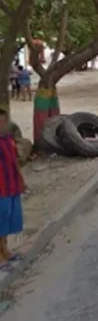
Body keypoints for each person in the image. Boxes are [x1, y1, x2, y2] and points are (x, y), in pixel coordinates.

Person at [0, 109, 26, 272]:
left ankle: (6, 251)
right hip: (1, 187)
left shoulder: (9, 139)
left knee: (9, 220)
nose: (2, 125)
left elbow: (15, 161)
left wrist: (21, 179)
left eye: (4, 122)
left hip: (12, 185)